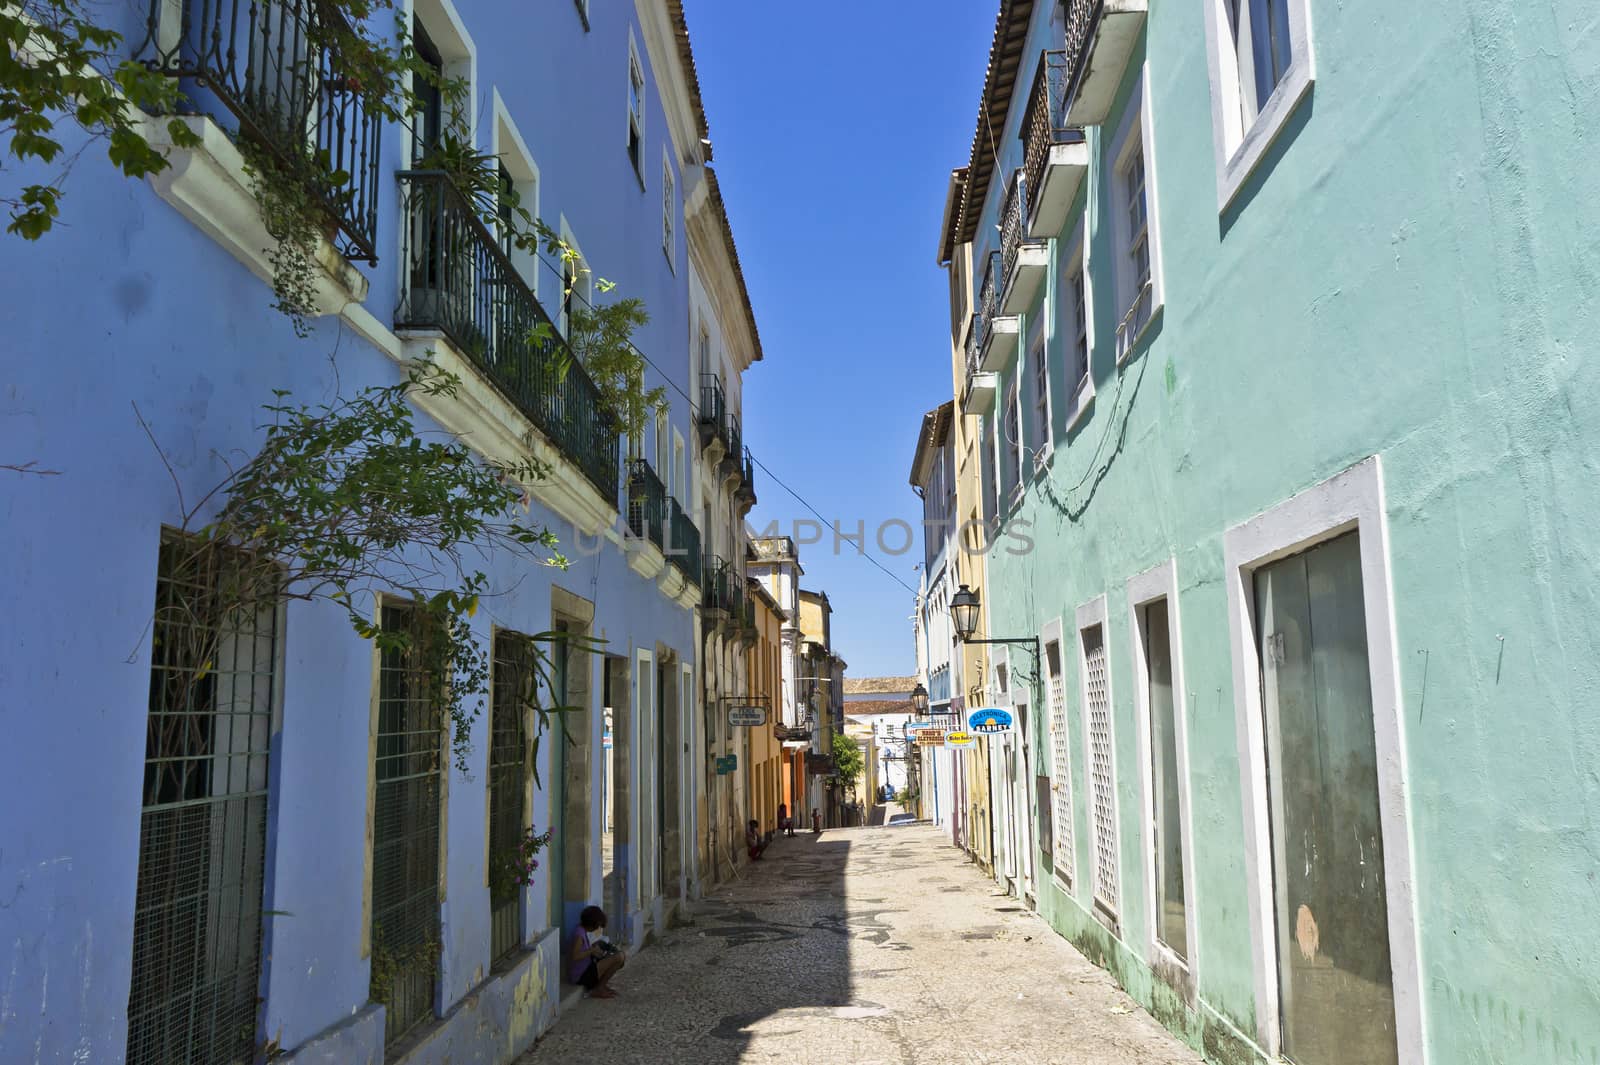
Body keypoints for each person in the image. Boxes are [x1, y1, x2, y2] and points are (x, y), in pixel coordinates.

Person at [570, 905, 626, 999]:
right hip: (581, 976)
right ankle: (599, 988)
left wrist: (594, 950)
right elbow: (575, 956)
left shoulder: (582, 931)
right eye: (597, 925)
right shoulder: (579, 934)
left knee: (620, 957)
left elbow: (584, 951)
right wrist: (592, 950)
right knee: (619, 957)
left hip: (587, 969)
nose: (597, 928)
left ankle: (601, 986)